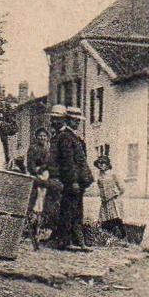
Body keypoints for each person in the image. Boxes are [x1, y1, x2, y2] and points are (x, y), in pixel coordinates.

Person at [48, 105, 93, 250]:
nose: (76, 123)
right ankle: (65, 241)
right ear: (67, 120)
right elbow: (68, 162)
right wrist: (73, 181)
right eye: (73, 120)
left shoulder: (74, 136)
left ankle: (78, 241)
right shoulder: (66, 137)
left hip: (78, 181)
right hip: (70, 181)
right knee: (68, 210)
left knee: (76, 210)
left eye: (78, 121)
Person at [95, 154, 126, 237]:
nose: (101, 165)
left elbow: (121, 187)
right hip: (105, 201)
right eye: (100, 163)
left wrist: (117, 194)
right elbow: (100, 189)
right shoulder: (99, 176)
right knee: (105, 219)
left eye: (103, 163)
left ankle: (123, 235)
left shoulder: (112, 174)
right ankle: (108, 236)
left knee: (116, 217)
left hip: (113, 199)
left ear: (108, 164)